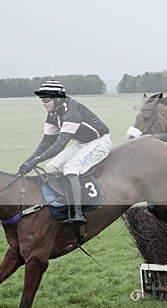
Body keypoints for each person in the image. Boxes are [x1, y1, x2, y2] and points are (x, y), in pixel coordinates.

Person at [18, 80, 112, 224]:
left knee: (71, 167)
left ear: (57, 98)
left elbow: (60, 144)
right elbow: (46, 142)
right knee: (51, 167)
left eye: (45, 98)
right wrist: (29, 160)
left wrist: (35, 161)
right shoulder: (53, 114)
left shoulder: (72, 112)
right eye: (41, 99)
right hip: (82, 144)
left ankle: (78, 212)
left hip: (99, 142)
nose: (42, 102)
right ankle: (64, 204)